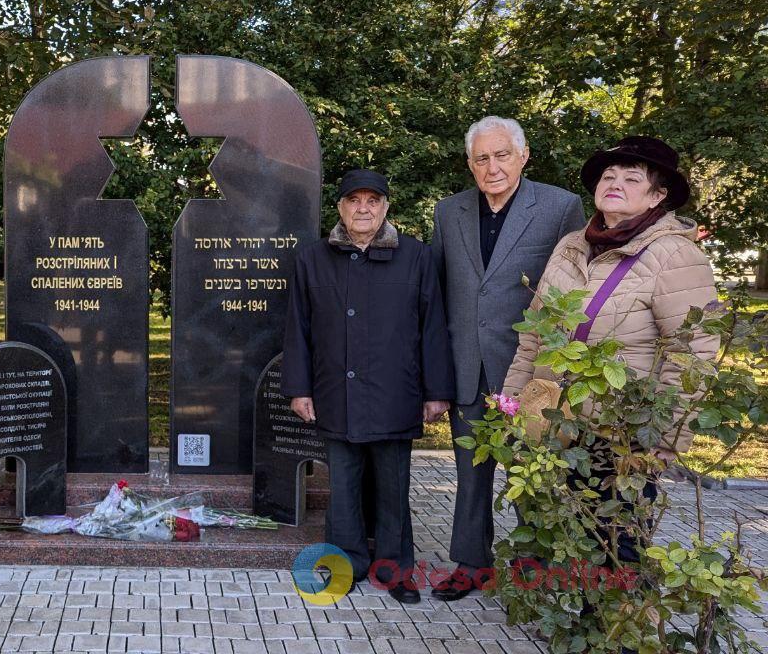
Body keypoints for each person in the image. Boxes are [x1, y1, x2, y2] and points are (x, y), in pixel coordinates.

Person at [502, 136, 718, 558]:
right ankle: (580, 617)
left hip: (622, 434)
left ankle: (614, 619)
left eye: (631, 177)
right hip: (557, 424)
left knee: (618, 547)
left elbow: (693, 356)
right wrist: (513, 404)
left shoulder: (674, 255)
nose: (615, 182)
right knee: (566, 533)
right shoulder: (572, 245)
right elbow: (535, 333)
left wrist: (667, 439)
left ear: (658, 196)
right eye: (609, 175)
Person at [429, 116, 586, 601]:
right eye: (482, 158)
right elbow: (438, 292)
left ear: (523, 155)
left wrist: (559, 369)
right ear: (470, 163)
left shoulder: (561, 207)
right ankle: (471, 563)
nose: (492, 166)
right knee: (469, 472)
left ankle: (533, 568)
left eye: (501, 155)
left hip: (532, 370)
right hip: (467, 365)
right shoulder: (448, 212)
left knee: (531, 474)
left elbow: (577, 291)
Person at [282, 169, 454, 604]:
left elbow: (433, 328)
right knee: (342, 489)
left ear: (386, 207)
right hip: (333, 394)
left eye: (372, 201)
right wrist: (299, 389)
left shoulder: (416, 257)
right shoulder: (312, 259)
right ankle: (346, 564)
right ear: (339, 207)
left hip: (396, 395)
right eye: (354, 200)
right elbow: (297, 329)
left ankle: (397, 571)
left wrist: (437, 392)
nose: (363, 208)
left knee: (393, 489)